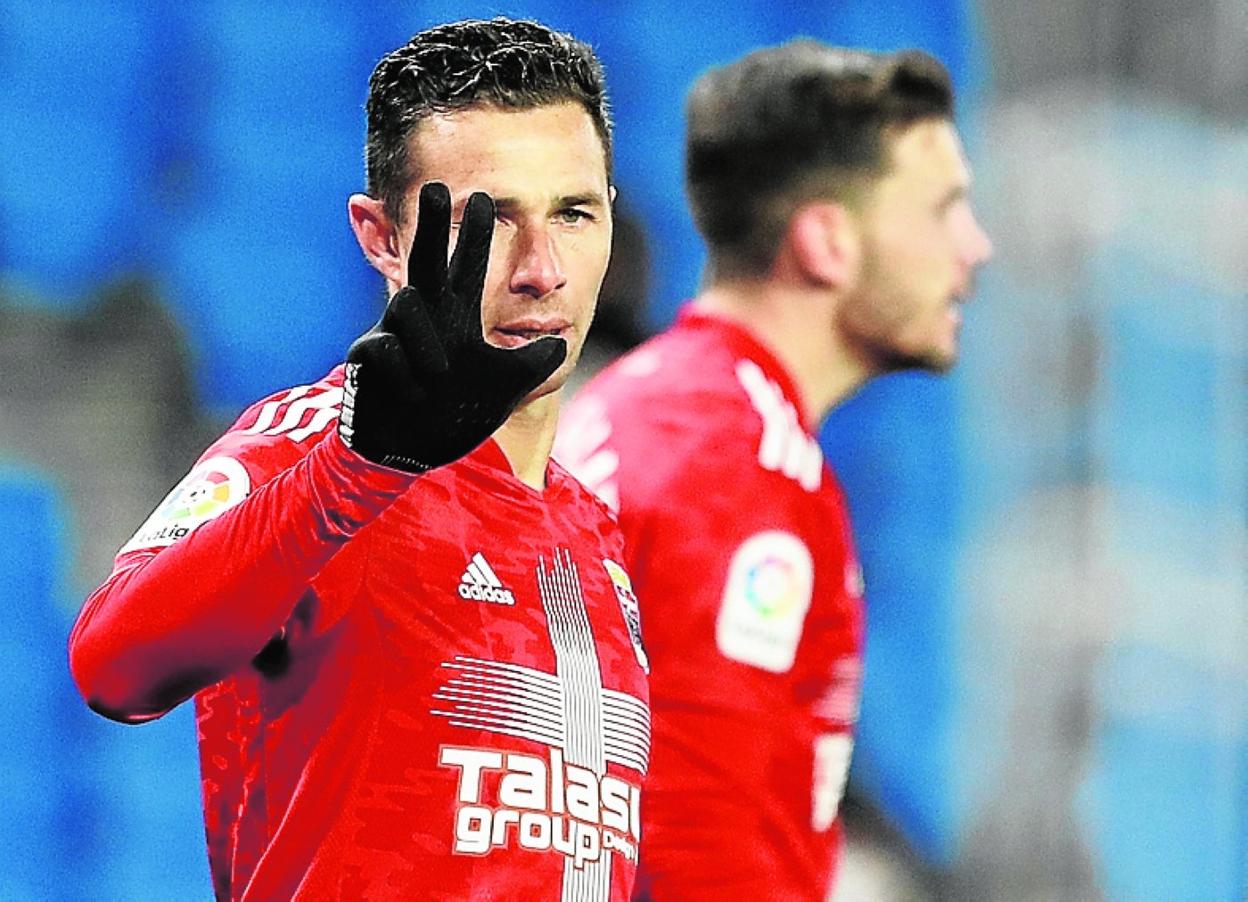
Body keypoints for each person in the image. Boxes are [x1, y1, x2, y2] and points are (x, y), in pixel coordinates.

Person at [69, 18, 651, 901]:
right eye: (482, 223)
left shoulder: (597, 532)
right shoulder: (315, 444)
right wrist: (358, 471)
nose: (543, 269)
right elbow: (114, 664)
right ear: (381, 237)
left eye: (574, 213)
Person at [555, 40, 992, 901]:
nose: (975, 248)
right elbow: (706, 860)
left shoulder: (659, 405)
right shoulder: (733, 470)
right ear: (828, 242)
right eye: (941, 212)